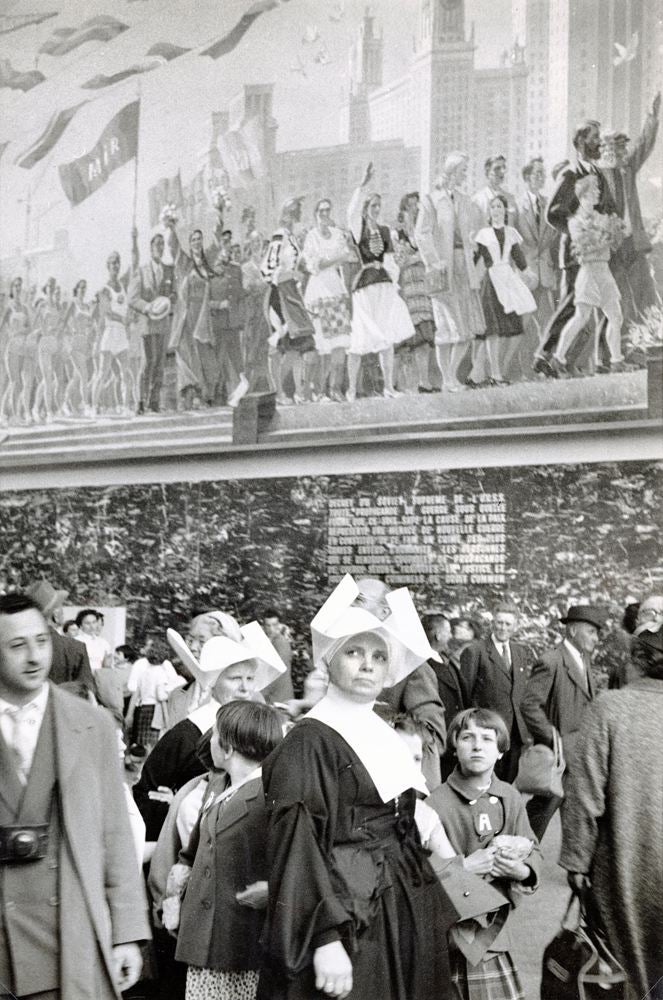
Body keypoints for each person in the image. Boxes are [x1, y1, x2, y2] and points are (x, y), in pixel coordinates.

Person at [257, 580, 456, 1000]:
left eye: (379, 656)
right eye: (354, 652)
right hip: (346, 920)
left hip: (400, 911)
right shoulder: (309, 742)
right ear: (329, 661)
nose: (368, 664)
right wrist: (324, 938)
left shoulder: (382, 734)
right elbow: (296, 845)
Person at [0, 591, 150, 999]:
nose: (34, 656)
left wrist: (126, 934)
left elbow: (115, 834)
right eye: (17, 645)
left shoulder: (92, 724)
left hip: (66, 939)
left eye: (41, 641)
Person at [559, 625, 663, 1000]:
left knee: (624, 969)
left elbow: (583, 794)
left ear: (640, 660)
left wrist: (576, 862)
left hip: (624, 865)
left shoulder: (609, 707)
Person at [163, 701, 284, 1000]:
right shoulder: (223, 787)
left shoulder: (265, 796)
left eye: (215, 734)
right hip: (209, 939)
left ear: (227, 748)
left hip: (238, 944)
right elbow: (196, 848)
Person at [134, 619, 287, 840]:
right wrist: (176, 805)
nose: (245, 688)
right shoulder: (187, 733)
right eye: (235, 678)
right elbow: (146, 793)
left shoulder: (261, 730)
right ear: (213, 681)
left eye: (250, 679)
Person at [426, 708, 539, 1000]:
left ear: (501, 752)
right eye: (467, 737)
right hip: (452, 935)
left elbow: (531, 848)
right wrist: (465, 866)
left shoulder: (510, 798)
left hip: (494, 938)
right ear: (454, 746)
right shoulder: (436, 803)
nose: (477, 745)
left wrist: (522, 871)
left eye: (488, 739)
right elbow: (422, 874)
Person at [536, 120, 617, 376]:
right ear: (581, 141)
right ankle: (545, 357)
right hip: (575, 254)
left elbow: (606, 208)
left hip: (596, 252)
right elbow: (552, 213)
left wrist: (605, 229)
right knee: (573, 305)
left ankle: (559, 360)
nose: (599, 143)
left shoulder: (599, 174)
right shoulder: (570, 174)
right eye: (594, 138)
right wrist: (578, 231)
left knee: (588, 309)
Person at [520, 604, 604, 841]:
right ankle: (516, 856)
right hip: (558, 755)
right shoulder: (551, 661)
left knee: (574, 811)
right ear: (574, 630)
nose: (596, 639)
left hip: (578, 752)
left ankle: (574, 868)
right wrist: (555, 739)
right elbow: (529, 705)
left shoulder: (583, 659)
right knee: (544, 808)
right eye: (592, 632)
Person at [415, 153, 486, 391]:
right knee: (446, 329)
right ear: (452, 171)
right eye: (463, 169)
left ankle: (450, 377)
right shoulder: (431, 200)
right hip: (442, 270)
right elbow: (421, 233)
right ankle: (447, 379)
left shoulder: (466, 201)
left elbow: (475, 230)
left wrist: (473, 244)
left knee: (465, 330)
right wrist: (434, 261)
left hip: (463, 267)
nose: (465, 174)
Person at [346, 162, 414, 401]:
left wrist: (394, 283)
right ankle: (351, 390)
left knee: (387, 336)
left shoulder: (385, 231)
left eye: (379, 206)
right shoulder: (359, 228)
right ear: (366, 208)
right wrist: (363, 185)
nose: (376, 209)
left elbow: (390, 261)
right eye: (373, 206)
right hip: (365, 285)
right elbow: (352, 212)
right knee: (360, 336)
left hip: (383, 284)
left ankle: (388, 387)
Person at [549, 174, 625, 375]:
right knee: (581, 316)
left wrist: (604, 238)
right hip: (589, 271)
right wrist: (605, 238)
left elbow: (617, 239)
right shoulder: (574, 222)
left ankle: (617, 360)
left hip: (604, 270)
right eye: (593, 191)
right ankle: (558, 358)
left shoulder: (603, 218)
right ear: (582, 195)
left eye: (597, 190)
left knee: (615, 316)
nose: (598, 193)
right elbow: (583, 248)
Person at [459, 602, 531, 783]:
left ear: (515, 626)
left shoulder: (520, 652)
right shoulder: (475, 651)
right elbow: (464, 694)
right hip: (487, 732)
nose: (503, 628)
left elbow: (520, 692)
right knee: (485, 780)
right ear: (493, 623)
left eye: (508, 624)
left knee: (508, 782)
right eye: (499, 622)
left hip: (515, 734)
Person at [473, 194, 538, 385]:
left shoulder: (511, 233)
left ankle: (502, 367)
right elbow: (480, 259)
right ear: (489, 211)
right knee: (493, 329)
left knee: (522, 315)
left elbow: (518, 258)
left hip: (508, 278)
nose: (496, 210)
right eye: (493, 207)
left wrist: (528, 273)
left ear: (505, 210)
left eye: (500, 207)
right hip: (491, 281)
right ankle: (494, 373)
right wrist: (473, 280)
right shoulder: (484, 235)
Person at [261, 196, 317, 405]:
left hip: (292, 294)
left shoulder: (291, 236)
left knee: (299, 346)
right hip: (278, 295)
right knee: (279, 343)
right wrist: (293, 275)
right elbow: (268, 271)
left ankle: (293, 392)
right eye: (295, 209)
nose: (298, 212)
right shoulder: (278, 236)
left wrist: (299, 274)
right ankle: (277, 393)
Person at [301, 198, 353, 402]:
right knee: (321, 344)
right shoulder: (311, 237)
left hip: (336, 290)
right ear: (315, 214)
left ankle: (335, 388)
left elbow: (347, 260)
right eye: (320, 211)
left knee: (339, 342)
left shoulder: (338, 234)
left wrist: (346, 288)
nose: (324, 214)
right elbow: (317, 265)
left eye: (327, 210)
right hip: (318, 290)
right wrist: (339, 258)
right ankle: (317, 390)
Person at [167, 223, 218, 410]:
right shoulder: (185, 262)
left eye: (199, 239)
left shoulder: (207, 261)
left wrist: (219, 216)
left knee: (204, 355)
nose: (197, 242)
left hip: (203, 315)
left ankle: (202, 395)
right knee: (189, 355)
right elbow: (173, 246)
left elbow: (217, 241)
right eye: (193, 240)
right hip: (187, 315)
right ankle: (189, 395)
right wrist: (171, 228)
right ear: (189, 244)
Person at [515, 158, 557, 377]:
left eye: (543, 173)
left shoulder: (549, 203)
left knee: (549, 324)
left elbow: (554, 234)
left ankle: (545, 367)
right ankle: (524, 371)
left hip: (546, 274)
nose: (541, 177)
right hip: (527, 274)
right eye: (537, 173)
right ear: (526, 177)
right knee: (524, 325)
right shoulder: (517, 207)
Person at [392, 192, 437, 393]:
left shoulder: (424, 233)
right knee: (404, 342)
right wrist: (419, 257)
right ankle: (398, 384)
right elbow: (400, 261)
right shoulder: (397, 234)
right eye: (409, 206)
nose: (414, 210)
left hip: (423, 288)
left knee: (424, 338)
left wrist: (418, 257)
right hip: (406, 291)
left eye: (416, 206)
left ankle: (424, 382)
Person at [128, 231, 176, 414]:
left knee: (160, 363)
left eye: (162, 245)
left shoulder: (168, 270)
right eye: (157, 245)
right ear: (150, 248)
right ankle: (140, 401)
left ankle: (154, 401)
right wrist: (147, 307)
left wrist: (169, 300)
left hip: (162, 323)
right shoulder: (141, 271)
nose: (160, 248)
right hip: (147, 324)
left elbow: (174, 294)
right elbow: (132, 299)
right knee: (148, 362)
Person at [25, 578, 94, 688]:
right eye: (61, 606)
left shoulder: (18, 648)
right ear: (55, 615)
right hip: (67, 704)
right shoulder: (76, 648)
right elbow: (87, 691)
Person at [423, 613, 465, 780]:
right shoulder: (425, 664)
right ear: (438, 635)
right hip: (440, 739)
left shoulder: (446, 660)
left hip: (452, 735)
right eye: (448, 631)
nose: (450, 635)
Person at [208, 243, 249, 408]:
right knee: (217, 361)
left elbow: (239, 294)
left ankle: (240, 394)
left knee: (238, 361)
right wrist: (219, 305)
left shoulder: (235, 270)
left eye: (228, 251)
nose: (226, 254)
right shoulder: (210, 274)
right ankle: (214, 396)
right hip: (218, 325)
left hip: (233, 324)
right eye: (223, 251)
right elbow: (205, 302)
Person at [91, 252, 130, 415]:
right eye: (112, 263)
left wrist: (128, 319)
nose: (115, 266)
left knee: (125, 373)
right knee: (102, 373)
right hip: (110, 332)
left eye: (117, 263)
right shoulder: (104, 289)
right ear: (108, 267)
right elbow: (107, 312)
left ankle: (126, 406)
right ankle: (93, 406)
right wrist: (124, 319)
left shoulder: (123, 286)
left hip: (121, 334)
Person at [60, 279, 96, 417]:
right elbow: (63, 323)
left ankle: (64, 403)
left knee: (76, 379)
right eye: (80, 288)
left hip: (84, 342)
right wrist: (67, 341)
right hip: (75, 342)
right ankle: (86, 406)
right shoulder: (73, 303)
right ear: (76, 289)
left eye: (85, 288)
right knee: (84, 375)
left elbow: (90, 324)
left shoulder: (86, 306)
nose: (83, 290)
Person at [472, 155, 518, 227]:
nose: (502, 171)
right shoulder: (478, 200)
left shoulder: (510, 199)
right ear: (487, 173)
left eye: (504, 167)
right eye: (497, 168)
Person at [75, 606, 111, 672]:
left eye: (94, 622)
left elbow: (106, 666)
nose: (92, 626)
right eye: (87, 623)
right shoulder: (75, 641)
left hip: (99, 678)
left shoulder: (104, 643)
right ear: (80, 625)